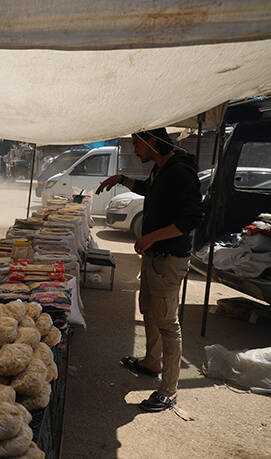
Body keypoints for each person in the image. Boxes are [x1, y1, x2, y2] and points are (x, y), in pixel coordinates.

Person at [96, 128, 203, 412]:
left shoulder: (180, 171)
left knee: (168, 322)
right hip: (154, 257)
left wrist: (151, 237)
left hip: (169, 259)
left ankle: (169, 390)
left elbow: (192, 217)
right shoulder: (160, 168)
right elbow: (150, 189)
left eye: (136, 144)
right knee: (149, 311)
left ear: (152, 142)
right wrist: (121, 179)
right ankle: (150, 362)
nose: (134, 150)